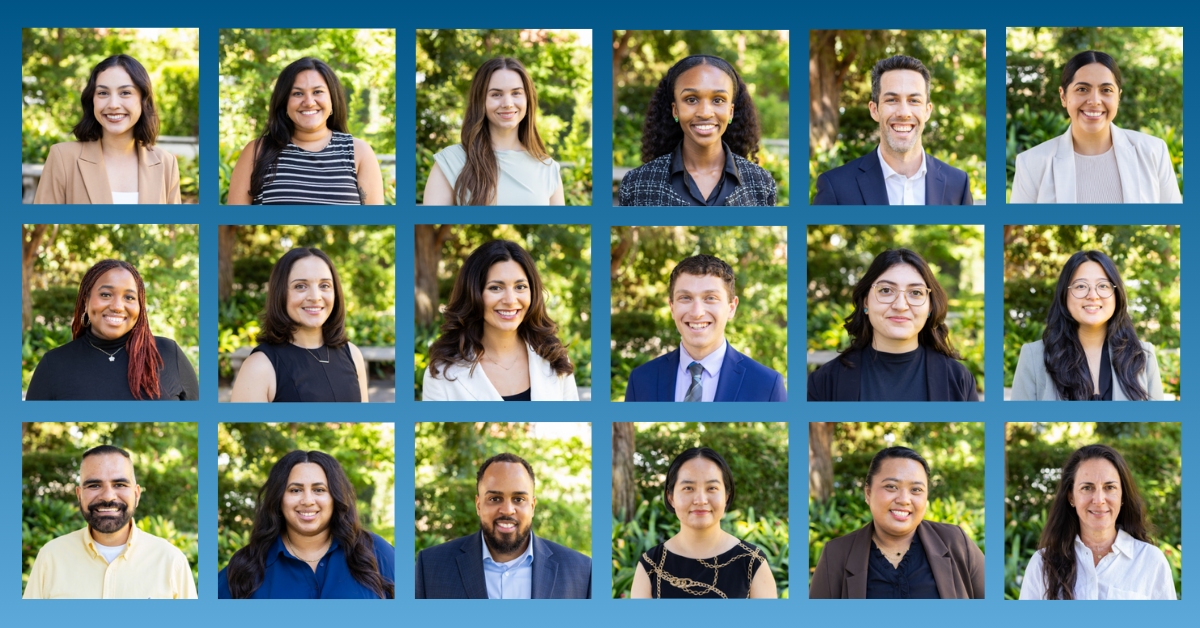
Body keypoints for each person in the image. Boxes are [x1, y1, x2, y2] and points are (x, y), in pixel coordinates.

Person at [23, 445, 197, 598]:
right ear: (79, 495)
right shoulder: (50, 558)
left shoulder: (171, 562)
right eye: (94, 485)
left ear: (136, 494)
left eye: (120, 484)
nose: (108, 496)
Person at [810, 447, 984, 599]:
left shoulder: (956, 542)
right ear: (868, 493)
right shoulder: (835, 555)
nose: (904, 500)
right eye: (891, 486)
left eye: (916, 489)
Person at [1010, 51, 1182, 204]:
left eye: (1106, 90)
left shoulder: (1154, 151)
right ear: (1063, 96)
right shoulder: (1031, 163)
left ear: (1118, 97)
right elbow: (1018, 228)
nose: (1094, 101)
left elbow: (1174, 225)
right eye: (1082, 89)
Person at [807, 248, 978, 401]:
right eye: (886, 290)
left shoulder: (959, 379)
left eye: (916, 292)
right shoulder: (824, 381)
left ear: (930, 307)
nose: (901, 306)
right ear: (866, 302)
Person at [218, 450, 395, 598]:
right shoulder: (244, 567)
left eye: (319, 490)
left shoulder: (377, 552)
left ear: (335, 497)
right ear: (278, 499)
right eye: (295, 490)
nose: (308, 500)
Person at [415, 453, 591, 598]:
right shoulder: (430, 567)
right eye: (494, 498)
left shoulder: (581, 571)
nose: (507, 510)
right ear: (478, 505)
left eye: (518, 499)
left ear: (532, 506)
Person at [422, 240, 578, 401]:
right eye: (495, 288)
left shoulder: (555, 359)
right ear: (473, 294)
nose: (510, 300)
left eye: (520, 287)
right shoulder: (441, 375)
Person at [26, 259, 198, 401]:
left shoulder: (169, 354)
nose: (117, 306)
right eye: (106, 295)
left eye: (129, 297)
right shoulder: (53, 365)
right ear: (86, 301)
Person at [1019, 444, 1176, 599]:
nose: (1099, 500)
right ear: (1071, 497)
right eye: (1087, 488)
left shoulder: (1151, 562)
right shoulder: (1041, 564)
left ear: (1122, 496)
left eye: (1110, 487)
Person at [812, 55, 973, 205]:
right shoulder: (835, 187)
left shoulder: (958, 184)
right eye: (891, 100)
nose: (904, 112)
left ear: (927, 111)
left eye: (914, 100)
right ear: (874, 110)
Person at [618, 54, 777, 206]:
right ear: (675, 110)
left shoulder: (762, 184)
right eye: (691, 99)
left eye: (718, 100)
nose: (705, 113)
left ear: (731, 111)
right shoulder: (636, 184)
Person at [624, 254, 786, 401]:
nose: (697, 313)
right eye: (685, 298)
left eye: (710, 298)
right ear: (672, 308)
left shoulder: (767, 385)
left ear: (731, 308)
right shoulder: (640, 380)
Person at [226, 57, 384, 205]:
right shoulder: (257, 152)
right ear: (284, 102)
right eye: (297, 93)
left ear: (332, 99)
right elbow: (234, 222)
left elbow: (375, 222)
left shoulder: (359, 153)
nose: (309, 102)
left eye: (317, 92)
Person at [1010, 250, 1163, 400]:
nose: (1093, 296)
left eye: (1103, 286)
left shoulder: (1143, 356)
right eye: (1081, 286)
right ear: (1064, 294)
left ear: (1116, 295)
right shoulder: (1033, 356)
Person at [630, 447, 776, 598]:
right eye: (688, 488)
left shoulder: (752, 562)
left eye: (712, 488)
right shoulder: (651, 565)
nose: (700, 500)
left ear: (726, 496)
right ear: (670, 497)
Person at [34, 54, 180, 204]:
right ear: (92, 100)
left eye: (125, 93)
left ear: (143, 100)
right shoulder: (63, 158)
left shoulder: (166, 164)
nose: (113, 105)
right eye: (103, 93)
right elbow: (43, 219)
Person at [230, 248, 369, 402]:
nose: (315, 297)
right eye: (300, 286)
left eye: (324, 285)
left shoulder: (353, 355)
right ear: (280, 293)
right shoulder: (259, 367)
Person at [423, 57, 565, 205]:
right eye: (496, 94)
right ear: (480, 101)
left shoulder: (548, 168)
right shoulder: (450, 161)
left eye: (516, 93)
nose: (508, 104)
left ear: (528, 99)